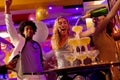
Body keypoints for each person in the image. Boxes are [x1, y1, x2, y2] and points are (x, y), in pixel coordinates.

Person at [4, 0, 46, 80]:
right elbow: (10, 27)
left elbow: (45, 57)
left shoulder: (36, 44)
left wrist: (56, 49)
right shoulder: (19, 41)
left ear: (34, 31)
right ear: (23, 31)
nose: (29, 30)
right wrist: (7, 8)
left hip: (41, 76)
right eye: (27, 29)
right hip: (26, 77)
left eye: (31, 29)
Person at [85, 0, 120, 80]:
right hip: (104, 72)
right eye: (96, 17)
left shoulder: (108, 35)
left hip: (113, 70)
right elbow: (110, 15)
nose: (97, 18)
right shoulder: (98, 32)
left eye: (100, 16)